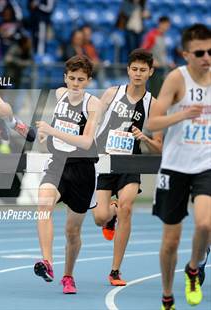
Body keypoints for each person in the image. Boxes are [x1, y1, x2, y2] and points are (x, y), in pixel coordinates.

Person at [147, 24, 211, 309]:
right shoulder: (176, 79)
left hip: (206, 163)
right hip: (175, 166)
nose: (207, 57)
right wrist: (183, 114)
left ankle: (194, 269)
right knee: (171, 240)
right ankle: (167, 294)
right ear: (186, 54)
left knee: (205, 223)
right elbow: (152, 123)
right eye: (200, 52)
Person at [92, 48, 163, 286]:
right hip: (105, 160)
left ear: (150, 72)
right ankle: (110, 213)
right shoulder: (112, 94)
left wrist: (145, 138)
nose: (138, 74)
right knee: (100, 218)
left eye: (143, 70)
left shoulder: (153, 105)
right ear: (128, 70)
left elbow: (159, 148)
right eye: (134, 69)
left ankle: (115, 271)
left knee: (127, 208)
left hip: (131, 162)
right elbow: (92, 121)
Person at [33, 55, 101, 294]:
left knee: (72, 232)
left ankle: (68, 276)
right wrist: (46, 135)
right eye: (72, 78)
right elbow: (59, 122)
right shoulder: (59, 94)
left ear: (89, 80)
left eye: (81, 80)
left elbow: (85, 141)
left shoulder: (93, 104)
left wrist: (52, 130)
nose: (75, 84)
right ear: (65, 78)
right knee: (44, 204)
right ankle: (47, 262)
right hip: (58, 164)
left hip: (82, 169)